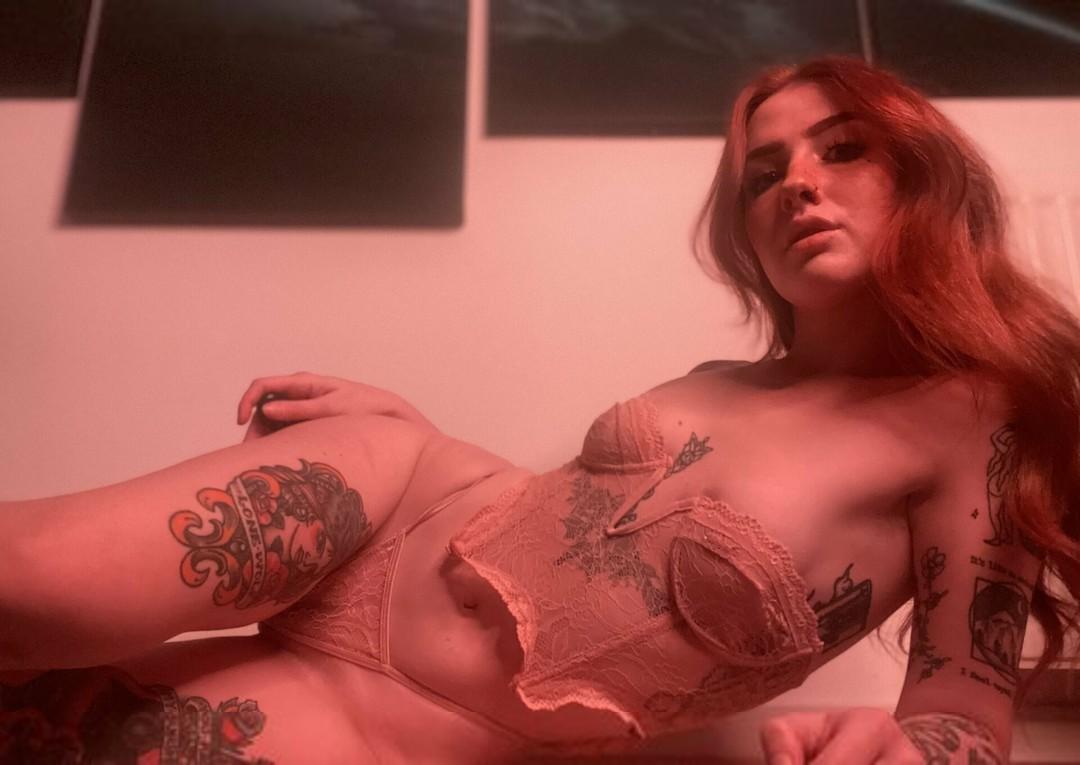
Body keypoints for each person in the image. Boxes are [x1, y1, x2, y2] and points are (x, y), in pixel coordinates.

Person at [2, 54, 1079, 765]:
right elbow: (557, 513)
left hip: (407, 724)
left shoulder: (975, 420)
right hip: (394, 505)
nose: (797, 182)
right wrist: (420, 440)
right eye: (763, 173)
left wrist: (908, 751)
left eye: (842, 149)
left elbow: (963, 709)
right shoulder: (726, 377)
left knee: (46, 722)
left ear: (924, 174)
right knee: (28, 580)